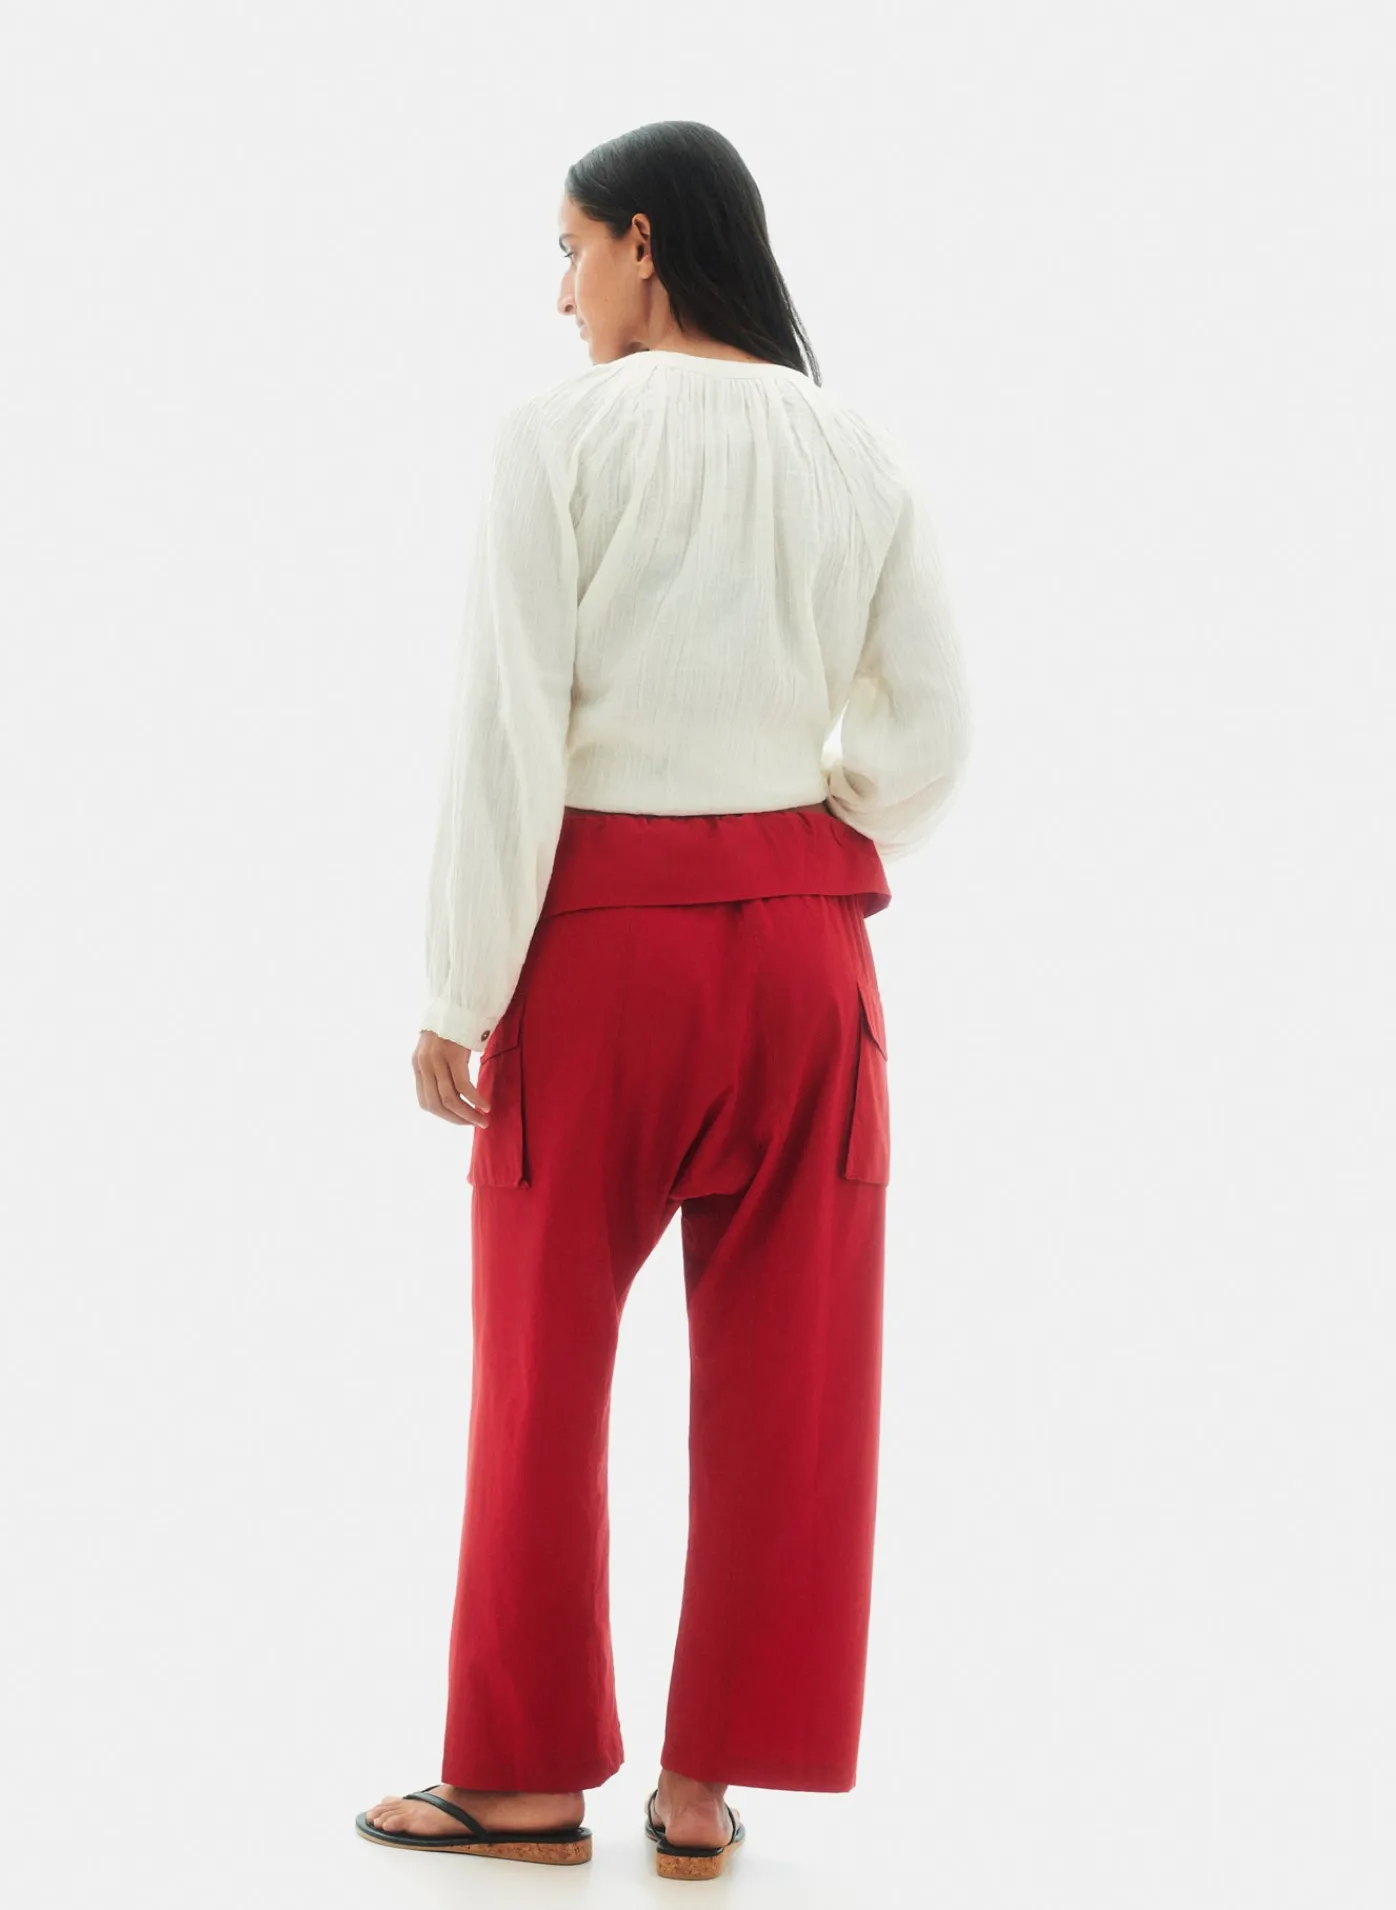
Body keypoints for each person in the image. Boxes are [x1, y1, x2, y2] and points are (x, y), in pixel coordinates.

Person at [357, 119, 971, 1878]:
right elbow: (933, 730)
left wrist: (457, 986)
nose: (561, 296)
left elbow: (508, 730)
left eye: (569, 253)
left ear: (643, 240)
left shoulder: (556, 441)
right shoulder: (855, 447)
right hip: (805, 961)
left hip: (603, 955)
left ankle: (523, 1777)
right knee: (797, 1379)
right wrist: (809, 832)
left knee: (539, 1375)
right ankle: (704, 1787)